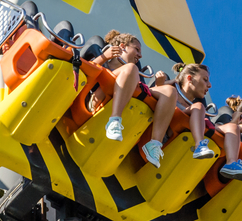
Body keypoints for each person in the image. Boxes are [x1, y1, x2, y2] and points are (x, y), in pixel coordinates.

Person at [90, 31, 178, 168]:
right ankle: (114, 120)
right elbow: (85, 69)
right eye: (136, 49)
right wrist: (103, 57)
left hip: (127, 112)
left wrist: (161, 86)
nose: (140, 55)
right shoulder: (108, 62)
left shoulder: (134, 73)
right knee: (130, 68)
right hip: (96, 101)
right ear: (123, 46)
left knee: (170, 91)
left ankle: (154, 144)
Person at [157, 63, 218, 161]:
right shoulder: (170, 91)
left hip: (174, 150)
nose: (209, 85)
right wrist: (161, 83)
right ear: (189, 78)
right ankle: (199, 145)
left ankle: (200, 146)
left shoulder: (197, 110)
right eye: (205, 80)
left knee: (199, 107)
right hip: (158, 138)